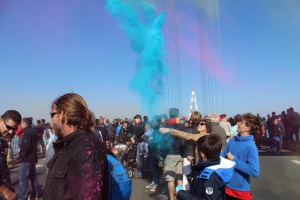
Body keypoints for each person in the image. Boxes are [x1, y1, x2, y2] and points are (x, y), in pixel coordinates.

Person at [43, 93, 108, 199]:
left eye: (52, 115)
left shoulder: (86, 149)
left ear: (62, 115)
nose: (52, 121)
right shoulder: (67, 143)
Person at [176, 134, 236, 200]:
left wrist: (182, 194)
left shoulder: (209, 177)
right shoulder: (215, 165)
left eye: (197, 149)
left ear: (202, 154)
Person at [221, 113, 261, 199]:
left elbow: (255, 171)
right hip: (225, 186)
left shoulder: (251, 147)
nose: (238, 124)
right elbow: (223, 155)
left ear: (248, 128)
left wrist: (234, 160)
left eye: (241, 122)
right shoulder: (233, 140)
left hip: (240, 192)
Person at [161, 108, 185, 200]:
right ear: (178, 114)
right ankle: (181, 196)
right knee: (179, 178)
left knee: (170, 179)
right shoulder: (181, 126)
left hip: (170, 153)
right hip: (181, 154)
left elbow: (162, 140)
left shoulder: (166, 126)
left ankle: (171, 198)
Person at [0, 110, 21, 200]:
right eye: (8, 127)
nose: (11, 132)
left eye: (14, 129)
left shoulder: (2, 140)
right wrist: (5, 191)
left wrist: (4, 183)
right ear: (1, 120)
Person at [19, 117, 39, 200]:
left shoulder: (27, 133)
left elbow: (26, 146)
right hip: (33, 158)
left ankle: (23, 197)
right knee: (33, 177)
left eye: (22, 123)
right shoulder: (34, 131)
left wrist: (22, 156)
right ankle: (36, 194)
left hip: (26, 159)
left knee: (23, 179)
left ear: (25, 123)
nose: (21, 125)